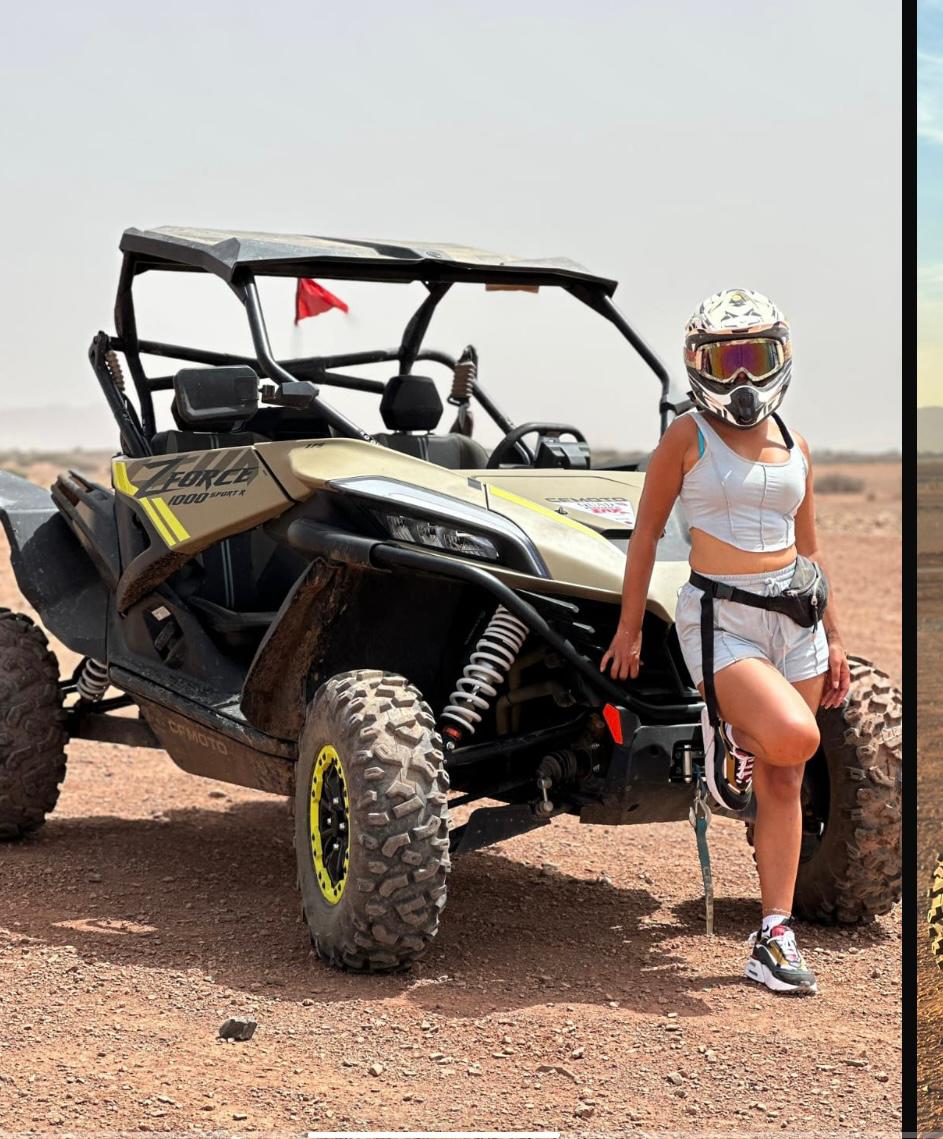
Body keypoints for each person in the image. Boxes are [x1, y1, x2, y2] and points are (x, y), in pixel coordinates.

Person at [600, 288, 850, 996]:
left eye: (754, 358)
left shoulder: (793, 444)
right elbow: (646, 533)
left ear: (779, 358)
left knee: (784, 777)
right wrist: (627, 628)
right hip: (721, 620)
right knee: (794, 736)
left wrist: (832, 638)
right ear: (697, 364)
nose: (740, 379)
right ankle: (726, 747)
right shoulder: (686, 438)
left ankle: (772, 934)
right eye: (724, 360)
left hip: (795, 620)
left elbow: (809, 549)